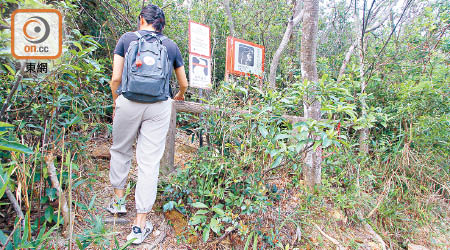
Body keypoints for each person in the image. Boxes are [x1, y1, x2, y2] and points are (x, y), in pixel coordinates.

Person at [107, 4, 188, 244]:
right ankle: (139, 225)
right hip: (159, 106)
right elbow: (183, 83)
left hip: (128, 101)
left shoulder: (126, 39)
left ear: (142, 19)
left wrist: (117, 100)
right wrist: (179, 96)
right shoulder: (171, 45)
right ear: (161, 24)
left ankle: (119, 204)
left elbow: (116, 78)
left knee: (121, 150)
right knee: (149, 162)